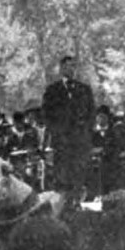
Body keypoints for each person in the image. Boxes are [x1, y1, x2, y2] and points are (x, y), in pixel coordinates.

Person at [42, 55, 95, 199]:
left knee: (79, 172)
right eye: (67, 66)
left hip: (80, 140)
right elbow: (46, 115)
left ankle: (77, 200)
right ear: (61, 69)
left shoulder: (84, 89)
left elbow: (91, 113)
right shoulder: (52, 90)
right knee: (62, 173)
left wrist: (86, 131)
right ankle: (64, 201)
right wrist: (57, 132)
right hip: (62, 141)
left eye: (73, 66)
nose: (71, 69)